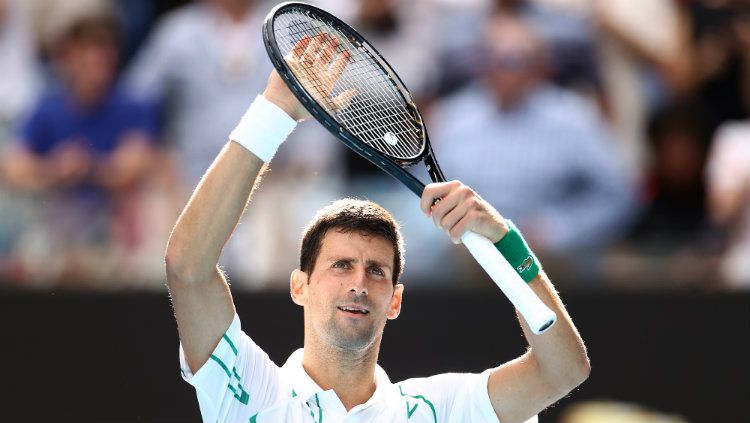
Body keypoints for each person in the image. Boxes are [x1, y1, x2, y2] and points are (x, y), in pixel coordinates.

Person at [165, 33, 589, 423]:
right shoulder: (250, 392)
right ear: (300, 287)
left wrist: (506, 242)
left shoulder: (440, 409)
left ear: (394, 300)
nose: (359, 284)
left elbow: (563, 371)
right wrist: (275, 110)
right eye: (340, 265)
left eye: (376, 271)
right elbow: (187, 268)